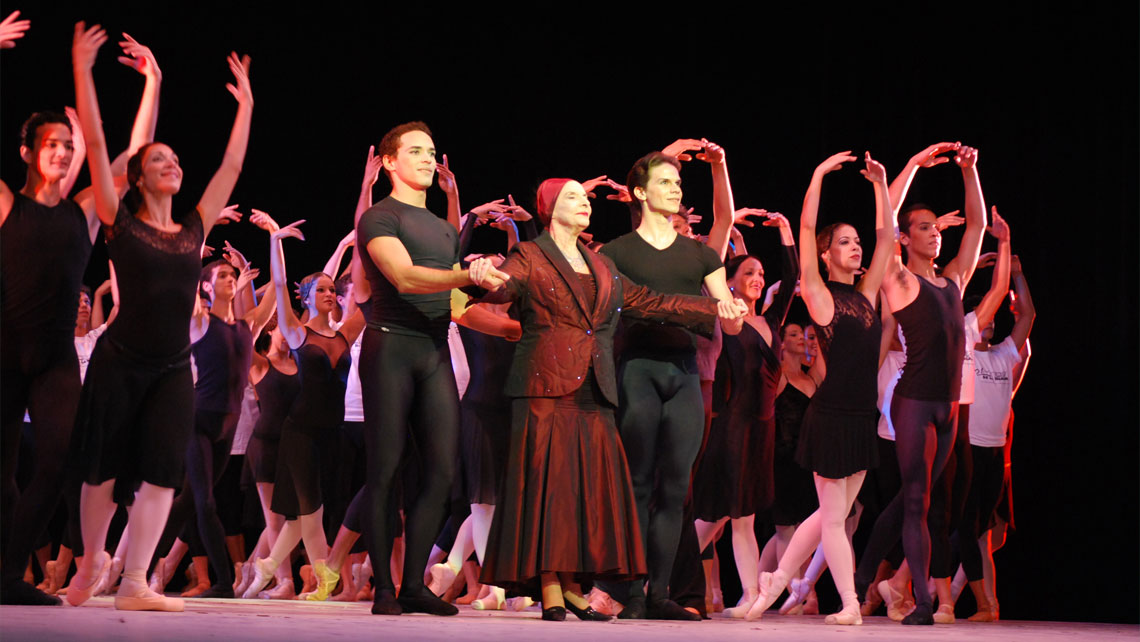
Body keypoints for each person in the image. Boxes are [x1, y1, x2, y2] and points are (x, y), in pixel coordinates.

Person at [479, 178, 746, 621]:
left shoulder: (599, 265)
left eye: (585, 198)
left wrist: (713, 308)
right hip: (545, 383)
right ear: (547, 208)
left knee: (582, 489)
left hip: (593, 387)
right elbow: (506, 285)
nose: (583, 203)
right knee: (549, 486)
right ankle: (548, 582)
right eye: (572, 198)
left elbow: (650, 301)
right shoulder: (531, 254)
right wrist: (483, 281)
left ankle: (570, 584)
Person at [66, 22, 252, 612]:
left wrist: (246, 106)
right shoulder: (119, 219)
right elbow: (97, 143)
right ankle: (93, 558)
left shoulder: (196, 225)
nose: (172, 164)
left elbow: (230, 165)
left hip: (174, 368)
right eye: (160, 160)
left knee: (164, 476)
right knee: (101, 471)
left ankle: (135, 582)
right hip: (120, 362)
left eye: (175, 159)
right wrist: (84, 69)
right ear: (139, 176)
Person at [0, 25, 158, 606]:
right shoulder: (7, 205)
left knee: (63, 459)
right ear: (27, 152)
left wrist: (152, 85)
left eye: (70, 144)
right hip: (2, 353)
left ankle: (10, 574)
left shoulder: (85, 212)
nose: (64, 152)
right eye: (52, 144)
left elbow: (134, 161)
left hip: (54, 359)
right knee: (3, 476)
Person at [351, 122, 507, 616]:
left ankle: (414, 585)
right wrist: (469, 272)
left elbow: (452, 297)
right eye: (415, 151)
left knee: (442, 472)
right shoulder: (379, 217)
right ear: (389, 162)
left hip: (435, 351)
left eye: (431, 151)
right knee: (386, 470)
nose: (426, 158)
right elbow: (404, 276)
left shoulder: (443, 228)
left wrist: (510, 330)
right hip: (391, 348)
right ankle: (383, 590)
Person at [747, 151, 895, 625]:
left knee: (833, 513)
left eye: (857, 242)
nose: (856, 248)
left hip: (860, 417)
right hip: (829, 417)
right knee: (833, 519)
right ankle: (850, 603)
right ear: (829, 254)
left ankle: (776, 580)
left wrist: (880, 185)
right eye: (846, 243)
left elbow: (887, 237)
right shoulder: (819, 293)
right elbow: (807, 232)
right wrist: (815, 176)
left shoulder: (869, 292)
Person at [598, 143, 743, 620]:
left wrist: (733, 310)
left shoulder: (700, 256)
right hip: (637, 369)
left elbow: (732, 320)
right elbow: (623, 308)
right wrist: (704, 310)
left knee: (675, 490)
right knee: (636, 484)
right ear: (639, 192)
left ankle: (659, 593)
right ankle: (631, 592)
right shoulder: (616, 252)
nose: (675, 188)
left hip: (683, 375)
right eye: (664, 181)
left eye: (678, 182)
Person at [853, 142, 987, 625]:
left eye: (935, 228)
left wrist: (971, 173)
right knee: (915, 500)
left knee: (922, 495)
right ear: (906, 239)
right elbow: (882, 229)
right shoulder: (900, 281)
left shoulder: (953, 281)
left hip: (948, 410)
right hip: (912, 403)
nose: (935, 235)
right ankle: (925, 604)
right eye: (924, 229)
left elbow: (976, 226)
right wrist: (907, 167)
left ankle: (865, 571)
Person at [241, 211, 365, 601]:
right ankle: (326, 576)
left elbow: (366, 286)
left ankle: (265, 566)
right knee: (311, 510)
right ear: (307, 298)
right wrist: (275, 242)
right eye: (323, 289)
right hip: (300, 432)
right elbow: (278, 284)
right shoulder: (297, 332)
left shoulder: (346, 332)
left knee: (306, 511)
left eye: (333, 289)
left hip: (334, 430)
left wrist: (365, 238)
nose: (331, 293)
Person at [691, 212, 797, 617]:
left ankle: (658, 579)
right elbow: (708, 276)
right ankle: (750, 596)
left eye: (760, 273)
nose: (756, 277)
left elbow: (790, 281)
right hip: (733, 426)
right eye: (748, 271)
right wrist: (727, 231)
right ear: (730, 281)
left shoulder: (770, 320)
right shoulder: (725, 318)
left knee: (717, 518)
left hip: (762, 429)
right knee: (738, 518)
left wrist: (786, 231)